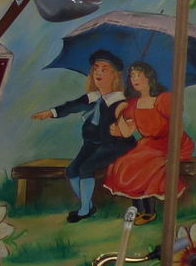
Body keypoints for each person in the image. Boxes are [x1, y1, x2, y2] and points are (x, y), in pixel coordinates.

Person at [32, 49, 133, 222]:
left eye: (104, 70)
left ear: (115, 76)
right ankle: (88, 205)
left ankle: (84, 210)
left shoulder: (120, 101)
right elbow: (72, 106)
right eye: (96, 69)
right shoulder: (93, 97)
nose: (98, 73)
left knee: (86, 168)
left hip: (114, 144)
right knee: (72, 170)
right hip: (92, 143)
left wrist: (119, 120)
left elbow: (127, 125)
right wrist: (51, 112)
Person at [101, 59, 194, 223]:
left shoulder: (164, 99)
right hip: (148, 144)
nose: (134, 79)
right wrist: (118, 115)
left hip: (170, 142)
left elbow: (177, 126)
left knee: (145, 164)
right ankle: (139, 209)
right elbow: (127, 132)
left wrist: (174, 150)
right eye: (132, 76)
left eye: (138, 75)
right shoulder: (133, 104)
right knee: (124, 162)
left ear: (149, 78)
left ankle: (149, 212)